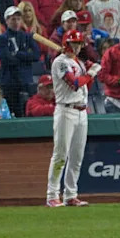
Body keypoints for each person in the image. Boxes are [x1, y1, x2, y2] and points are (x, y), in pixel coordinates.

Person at [45, 29, 100, 207]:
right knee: (60, 154)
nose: (77, 47)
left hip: (82, 111)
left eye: (79, 44)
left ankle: (71, 194)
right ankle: (52, 195)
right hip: (65, 110)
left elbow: (86, 85)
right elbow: (75, 84)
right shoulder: (59, 62)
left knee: (77, 156)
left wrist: (90, 70)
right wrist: (91, 73)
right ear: (67, 43)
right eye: (74, 43)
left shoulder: (78, 62)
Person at [0, 6, 37, 116]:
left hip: (25, 81)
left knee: (25, 112)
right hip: (8, 82)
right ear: (7, 20)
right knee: (10, 112)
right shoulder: (1, 39)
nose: (16, 22)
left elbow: (36, 55)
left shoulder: (27, 36)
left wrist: (18, 54)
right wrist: (26, 57)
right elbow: (6, 59)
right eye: (13, 19)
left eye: (18, 19)